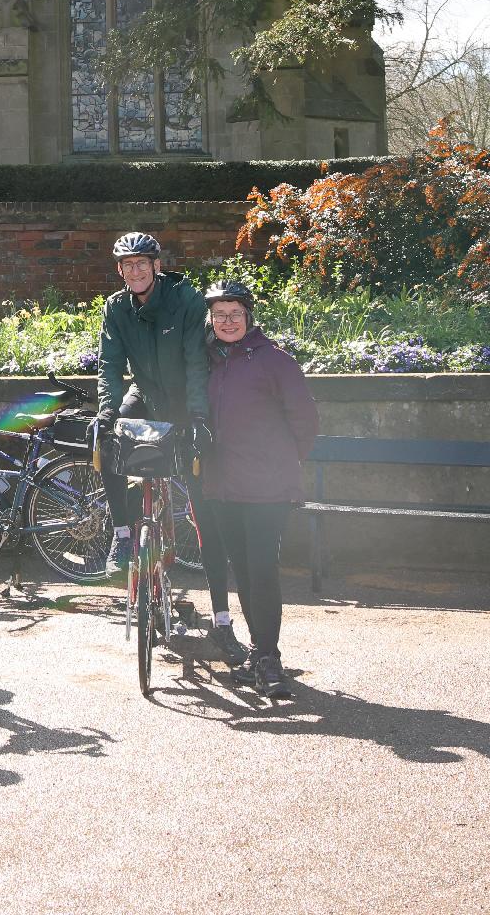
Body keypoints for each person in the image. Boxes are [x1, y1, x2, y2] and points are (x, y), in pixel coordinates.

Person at [196, 278, 319, 699]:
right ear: (211, 320)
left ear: (249, 317)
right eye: (220, 315)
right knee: (244, 570)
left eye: (235, 314)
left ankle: (269, 658)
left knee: (262, 569)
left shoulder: (276, 361)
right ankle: (259, 651)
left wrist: (283, 464)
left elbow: (305, 421)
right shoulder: (208, 362)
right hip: (222, 486)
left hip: (267, 488)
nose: (228, 321)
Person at [95, 231, 210, 577]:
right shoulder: (116, 307)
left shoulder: (186, 299)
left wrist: (197, 414)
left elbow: (197, 363)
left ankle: (209, 540)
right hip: (144, 393)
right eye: (127, 265)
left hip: (181, 399)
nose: (135, 271)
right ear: (120, 271)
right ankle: (123, 535)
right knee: (107, 438)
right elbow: (110, 365)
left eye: (141, 264)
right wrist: (106, 411)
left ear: (156, 266)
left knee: (196, 467)